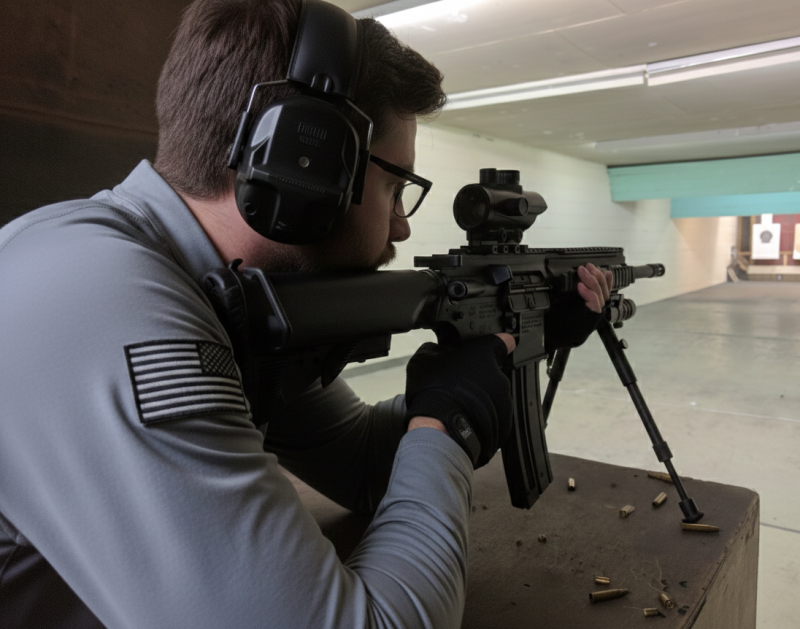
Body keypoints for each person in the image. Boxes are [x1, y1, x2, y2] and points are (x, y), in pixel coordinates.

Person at [0, 0, 612, 627]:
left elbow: (360, 464)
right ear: (305, 164)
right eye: (396, 187)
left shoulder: (205, 293)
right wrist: (447, 429)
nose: (400, 224)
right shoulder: (107, 302)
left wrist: (485, 368)